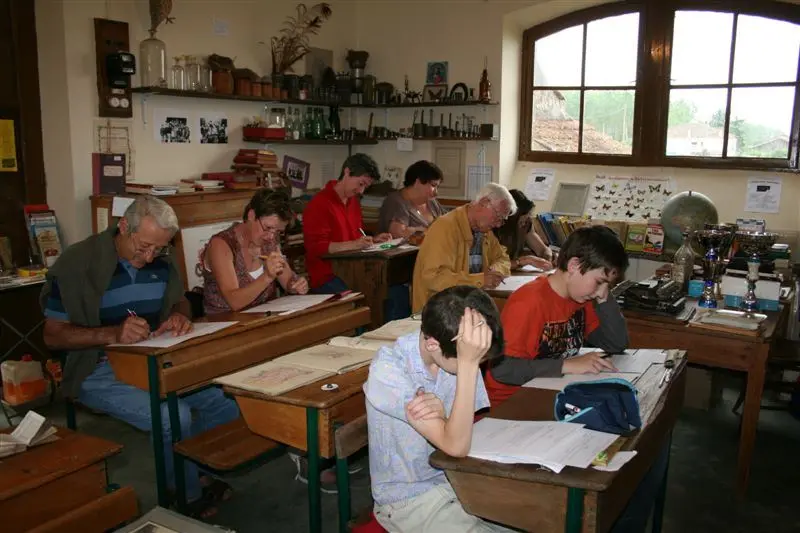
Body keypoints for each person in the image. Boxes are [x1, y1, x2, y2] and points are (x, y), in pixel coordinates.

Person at [40, 196, 239, 518]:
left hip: (150, 357)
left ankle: (195, 470)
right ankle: (185, 493)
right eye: (143, 246)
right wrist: (111, 334)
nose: (149, 258)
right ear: (123, 227)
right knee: (173, 416)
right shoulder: (79, 262)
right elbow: (53, 335)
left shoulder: (162, 258)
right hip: (97, 367)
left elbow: (180, 301)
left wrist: (178, 315)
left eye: (157, 249)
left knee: (224, 402)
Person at [365, 285, 514, 533]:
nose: (478, 365)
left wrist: (445, 419)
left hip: (455, 477)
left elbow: (459, 432)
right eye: (473, 358)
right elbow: (456, 445)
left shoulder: (459, 349)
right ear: (432, 344)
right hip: (408, 498)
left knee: (533, 520)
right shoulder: (388, 370)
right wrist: (468, 364)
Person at [485, 225, 630, 408]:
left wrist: (605, 298)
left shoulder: (580, 297)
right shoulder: (529, 302)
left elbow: (616, 344)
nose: (601, 292)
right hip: (510, 403)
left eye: (607, 285)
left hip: (551, 391)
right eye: (600, 282)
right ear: (574, 266)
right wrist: (566, 365)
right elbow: (502, 369)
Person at [411, 183, 516, 313]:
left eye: (502, 220)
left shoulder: (485, 231)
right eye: (498, 217)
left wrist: (495, 270)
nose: (499, 224)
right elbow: (434, 278)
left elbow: (502, 258)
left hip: (466, 307)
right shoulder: (445, 227)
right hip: (438, 312)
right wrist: (480, 280)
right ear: (484, 203)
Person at [201, 189, 308, 315]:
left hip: (261, 319)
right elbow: (234, 301)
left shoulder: (269, 241)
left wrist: (295, 285)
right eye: (267, 228)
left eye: (278, 231)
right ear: (251, 215)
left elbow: (287, 280)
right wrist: (267, 277)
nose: (271, 237)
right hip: (225, 322)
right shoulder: (221, 244)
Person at [302, 153, 392, 294]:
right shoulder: (319, 203)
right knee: (368, 295)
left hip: (352, 270)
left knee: (388, 288)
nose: (361, 191)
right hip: (328, 276)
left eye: (366, 187)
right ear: (347, 172)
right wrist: (355, 244)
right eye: (360, 184)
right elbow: (316, 247)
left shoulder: (353, 202)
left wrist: (373, 241)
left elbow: (356, 237)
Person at [377, 160, 446, 239]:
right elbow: (398, 234)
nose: (436, 192)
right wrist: (430, 230)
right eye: (433, 185)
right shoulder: (396, 201)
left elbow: (447, 223)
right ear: (417, 182)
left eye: (437, 187)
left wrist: (416, 230)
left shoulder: (431, 201)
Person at [493, 189, 554, 271]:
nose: (524, 224)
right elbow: (492, 265)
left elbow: (542, 250)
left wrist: (548, 257)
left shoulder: (526, 224)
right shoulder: (495, 227)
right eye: (521, 221)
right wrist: (524, 261)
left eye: (527, 218)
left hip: (514, 273)